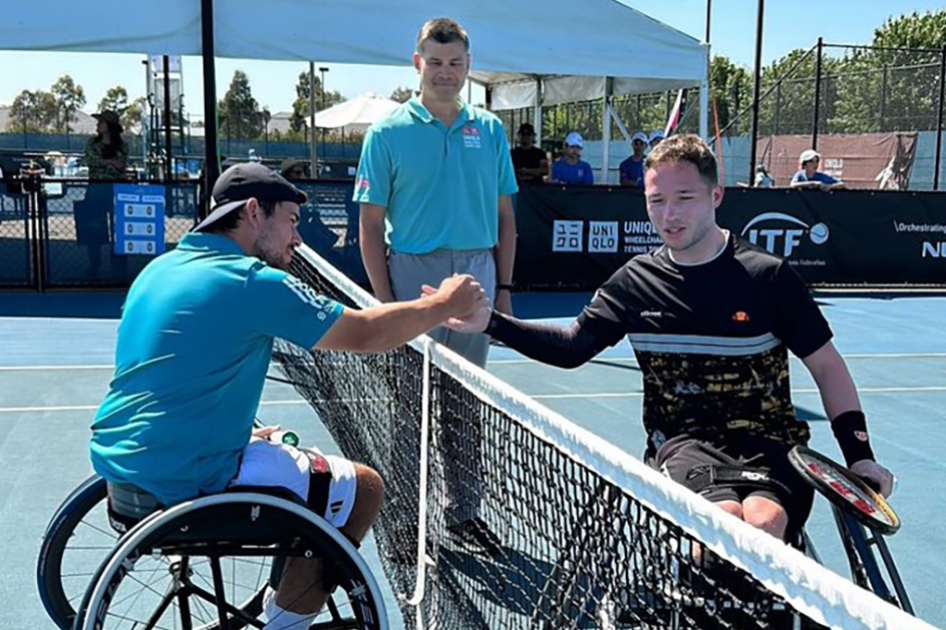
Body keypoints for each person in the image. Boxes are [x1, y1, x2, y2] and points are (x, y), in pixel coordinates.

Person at [90, 162, 488, 630]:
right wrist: (444, 304)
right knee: (364, 487)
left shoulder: (162, 268)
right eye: (293, 222)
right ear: (254, 212)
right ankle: (287, 623)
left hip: (124, 466)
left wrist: (242, 431)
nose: (297, 240)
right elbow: (364, 334)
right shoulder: (251, 282)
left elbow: (176, 372)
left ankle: (286, 595)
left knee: (290, 464)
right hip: (189, 478)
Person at [444, 134, 894, 547]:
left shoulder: (769, 277)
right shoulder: (635, 282)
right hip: (683, 444)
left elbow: (827, 366)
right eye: (656, 201)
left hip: (771, 444)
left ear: (716, 196)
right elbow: (572, 346)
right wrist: (491, 322)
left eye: (684, 199)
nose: (669, 215)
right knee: (722, 525)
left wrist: (860, 457)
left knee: (761, 524)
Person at [353, 17, 517, 553]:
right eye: (436, 62)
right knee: (409, 409)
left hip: (478, 278)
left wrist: (506, 288)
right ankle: (402, 520)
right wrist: (385, 303)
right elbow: (371, 226)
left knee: (465, 404)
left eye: (456, 64)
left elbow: (506, 220)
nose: (446, 73)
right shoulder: (386, 133)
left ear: (468, 67)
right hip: (412, 278)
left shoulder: (490, 131)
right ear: (418, 63)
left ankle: (464, 513)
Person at [78, 110, 129, 278]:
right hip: (96, 190)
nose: (97, 125)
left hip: (116, 191)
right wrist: (110, 162)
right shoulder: (92, 143)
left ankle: (119, 268)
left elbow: (122, 166)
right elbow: (92, 161)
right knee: (94, 229)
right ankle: (94, 265)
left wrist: (113, 164)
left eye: (101, 122)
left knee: (118, 230)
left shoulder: (122, 146)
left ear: (110, 126)